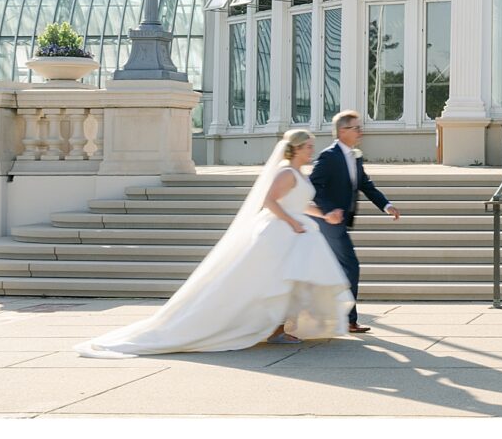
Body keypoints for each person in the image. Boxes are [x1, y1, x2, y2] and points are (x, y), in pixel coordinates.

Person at [74, 129, 353, 358]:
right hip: (279, 232)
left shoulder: (300, 174)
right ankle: (273, 329)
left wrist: (324, 215)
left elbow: (301, 204)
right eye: (307, 146)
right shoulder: (285, 173)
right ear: (295, 148)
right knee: (273, 281)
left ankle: (279, 327)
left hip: (297, 231)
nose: (311, 150)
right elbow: (268, 201)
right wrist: (291, 223)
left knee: (289, 281)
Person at [308, 111, 402, 333]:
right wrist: (329, 210)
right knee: (350, 265)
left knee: (335, 267)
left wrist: (386, 206)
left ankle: (331, 315)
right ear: (342, 131)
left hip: (340, 220)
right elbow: (314, 186)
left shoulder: (355, 156)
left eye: (360, 127)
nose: (361, 132)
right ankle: (348, 319)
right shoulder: (329, 156)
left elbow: (365, 185)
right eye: (356, 128)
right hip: (328, 222)